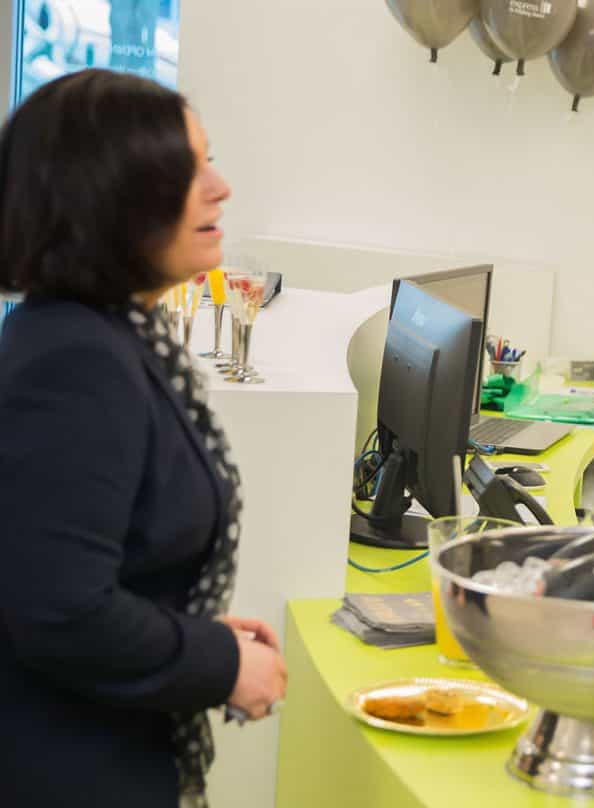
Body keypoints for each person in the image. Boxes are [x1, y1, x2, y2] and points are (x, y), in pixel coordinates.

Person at [0, 70, 286, 808]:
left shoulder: (113, 331)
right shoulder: (74, 359)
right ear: (107, 199)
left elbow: (87, 562)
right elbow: (59, 609)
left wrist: (180, 621)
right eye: (187, 170)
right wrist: (218, 661)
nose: (220, 186)